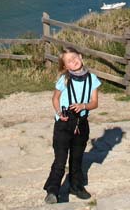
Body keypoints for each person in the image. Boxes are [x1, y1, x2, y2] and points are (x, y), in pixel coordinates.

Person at [43, 46, 101, 204]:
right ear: (65, 66)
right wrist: (58, 113)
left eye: (75, 58)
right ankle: (53, 190)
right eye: (69, 61)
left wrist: (84, 106)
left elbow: (94, 103)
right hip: (64, 123)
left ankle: (76, 186)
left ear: (81, 57)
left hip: (81, 124)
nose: (73, 62)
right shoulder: (64, 79)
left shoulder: (92, 79)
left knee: (77, 158)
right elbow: (55, 99)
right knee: (60, 159)